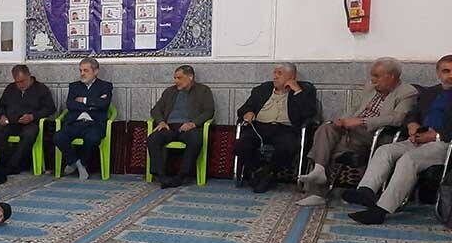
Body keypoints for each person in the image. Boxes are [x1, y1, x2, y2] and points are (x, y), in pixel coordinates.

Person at [343, 55, 452, 224]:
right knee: (384, 150)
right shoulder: (430, 92)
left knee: (408, 159)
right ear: (438, 73)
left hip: (443, 144)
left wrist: (436, 136)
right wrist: (412, 125)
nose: (450, 75)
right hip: (417, 139)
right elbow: (411, 115)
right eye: (446, 71)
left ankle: (381, 210)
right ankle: (366, 191)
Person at [295, 58, 418, 205]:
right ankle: (319, 171)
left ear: (391, 76)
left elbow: (397, 118)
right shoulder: (370, 88)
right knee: (326, 128)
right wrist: (342, 119)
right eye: (372, 76)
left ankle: (318, 191)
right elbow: (355, 108)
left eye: (377, 76)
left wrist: (362, 122)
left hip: (377, 134)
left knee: (328, 146)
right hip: (353, 131)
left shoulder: (407, 92)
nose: (373, 80)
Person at [234, 62, 319, 192]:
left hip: (285, 129)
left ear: (292, 77)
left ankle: (267, 173)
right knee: (240, 145)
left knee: (289, 146)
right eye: (274, 73)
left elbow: (309, 114)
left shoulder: (304, 91)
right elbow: (243, 108)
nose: (275, 76)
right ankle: (260, 171)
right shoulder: (262, 90)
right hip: (259, 127)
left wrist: (298, 91)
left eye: (279, 73)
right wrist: (247, 112)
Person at [148, 65, 216, 188]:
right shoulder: (170, 91)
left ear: (190, 77)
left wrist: (193, 123)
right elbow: (155, 110)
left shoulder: (203, 90)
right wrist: (161, 122)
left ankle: (181, 176)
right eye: (175, 78)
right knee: (153, 138)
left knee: (196, 140)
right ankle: (161, 176)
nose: (176, 81)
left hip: (190, 127)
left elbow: (209, 111)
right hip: (169, 127)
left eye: (179, 78)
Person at [53, 58, 113, 180]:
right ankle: (76, 163)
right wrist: (93, 104)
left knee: (93, 138)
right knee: (58, 136)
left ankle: (81, 163)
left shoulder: (105, 86)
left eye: (86, 70)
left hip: (94, 123)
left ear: (95, 71)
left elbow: (104, 104)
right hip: (75, 122)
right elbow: (70, 105)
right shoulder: (74, 86)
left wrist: (83, 100)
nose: (82, 74)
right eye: (80, 70)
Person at [0, 65, 56, 175]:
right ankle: (14, 163)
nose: (20, 85)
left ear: (29, 76)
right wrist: (1, 116)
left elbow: (50, 108)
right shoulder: (10, 88)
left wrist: (32, 116)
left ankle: (12, 165)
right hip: (11, 122)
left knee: (29, 135)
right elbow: (1, 106)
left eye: (23, 81)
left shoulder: (41, 89)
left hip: (30, 123)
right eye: (17, 82)